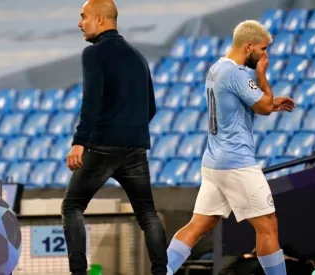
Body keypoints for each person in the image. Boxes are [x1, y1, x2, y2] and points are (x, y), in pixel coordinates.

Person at [166, 20, 296, 275]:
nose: (265, 55)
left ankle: (164, 271)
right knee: (268, 225)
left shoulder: (217, 69)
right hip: (236, 162)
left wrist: (270, 102)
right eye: (262, 49)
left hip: (214, 161)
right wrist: (262, 74)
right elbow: (264, 107)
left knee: (200, 223)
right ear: (248, 46)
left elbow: (243, 104)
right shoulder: (236, 73)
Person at [61, 0, 168, 274]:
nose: (79, 23)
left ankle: (78, 272)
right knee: (147, 214)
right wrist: (130, 130)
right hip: (136, 148)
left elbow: (91, 101)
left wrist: (79, 142)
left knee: (72, 206)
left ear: (99, 19)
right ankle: (161, 271)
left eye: (83, 16)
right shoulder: (138, 57)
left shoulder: (94, 53)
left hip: (102, 146)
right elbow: (151, 107)